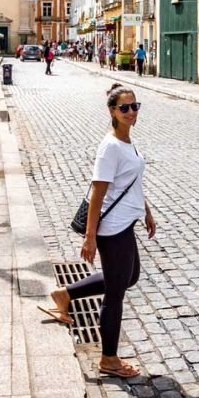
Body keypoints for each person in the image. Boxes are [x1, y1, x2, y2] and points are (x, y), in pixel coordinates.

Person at [41, 84, 156, 379]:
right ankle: (109, 359)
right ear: (112, 111)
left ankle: (65, 294)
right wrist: (90, 237)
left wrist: (146, 211)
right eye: (124, 108)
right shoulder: (110, 147)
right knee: (115, 293)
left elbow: (131, 182)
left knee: (129, 277)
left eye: (134, 106)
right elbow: (98, 193)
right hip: (113, 228)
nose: (131, 112)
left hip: (126, 222)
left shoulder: (127, 141)